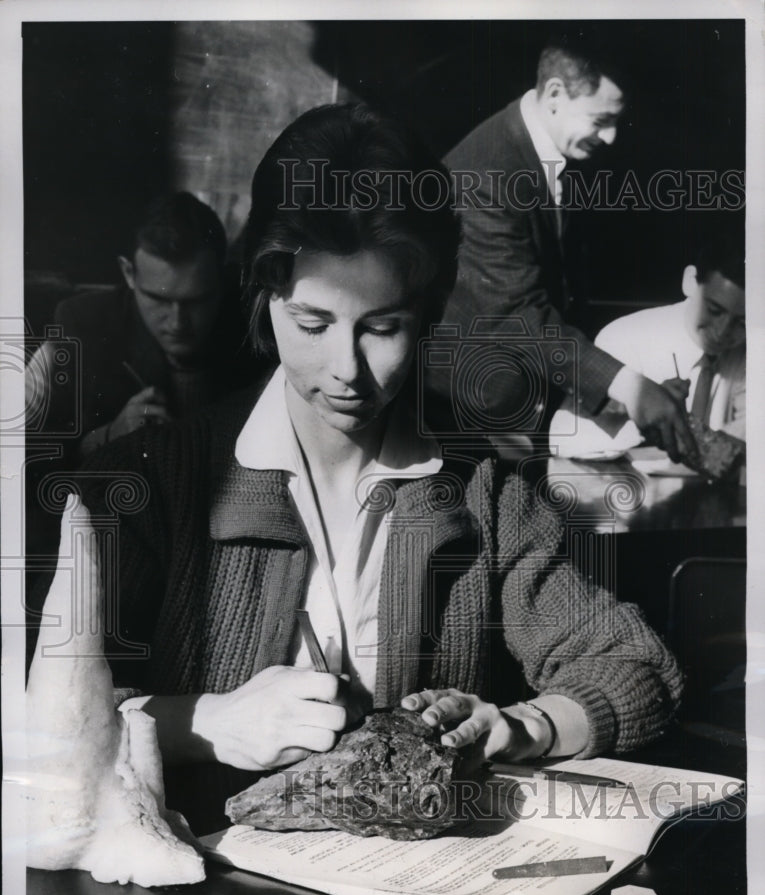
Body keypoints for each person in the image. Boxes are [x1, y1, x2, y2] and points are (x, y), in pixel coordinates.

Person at [68, 103, 680, 820]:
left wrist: (518, 726)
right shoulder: (148, 479)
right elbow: (36, 714)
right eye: (312, 323)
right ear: (264, 296)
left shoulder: (479, 487)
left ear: (426, 313)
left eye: (383, 328)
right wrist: (204, 722)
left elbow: (636, 667)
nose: (347, 370)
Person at [430, 29, 697, 464]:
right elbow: (517, 314)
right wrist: (628, 387)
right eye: (601, 120)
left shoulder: (551, 151)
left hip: (525, 401)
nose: (611, 138)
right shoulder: (485, 176)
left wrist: (620, 394)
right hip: (467, 418)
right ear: (555, 93)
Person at [25, 191, 254, 461]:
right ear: (128, 274)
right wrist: (107, 436)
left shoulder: (256, 325)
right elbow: (15, 444)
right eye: (158, 299)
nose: (178, 322)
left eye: (197, 300)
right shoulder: (80, 323)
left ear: (222, 277)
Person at [549, 225, 746, 455]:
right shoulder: (624, 338)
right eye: (714, 310)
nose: (722, 332)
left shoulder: (752, 351)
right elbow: (562, 438)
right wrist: (643, 423)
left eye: (742, 322)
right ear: (690, 281)